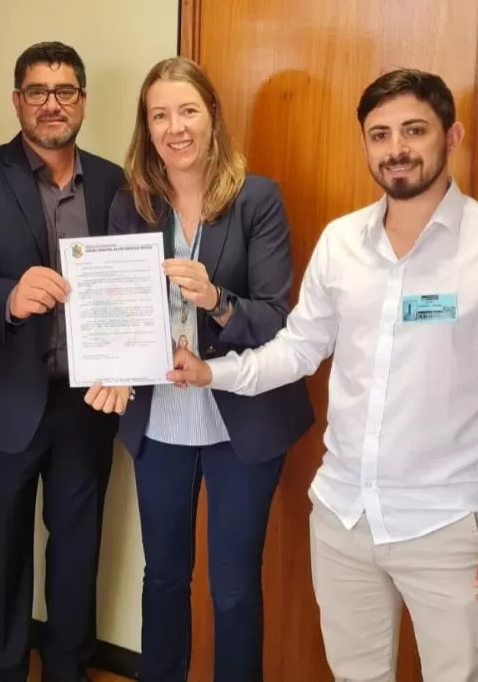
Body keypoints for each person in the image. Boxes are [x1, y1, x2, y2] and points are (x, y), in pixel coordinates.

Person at [168, 68, 478, 682]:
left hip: (449, 525)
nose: (397, 149)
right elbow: (299, 349)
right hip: (343, 518)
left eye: (415, 130)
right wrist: (213, 373)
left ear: (452, 136)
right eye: (380, 134)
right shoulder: (342, 243)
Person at [96, 57, 313, 682]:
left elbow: (274, 317)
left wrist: (216, 299)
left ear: (212, 117)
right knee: (163, 577)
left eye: (188, 110)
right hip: (160, 417)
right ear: (146, 127)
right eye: (159, 115)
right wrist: (112, 364)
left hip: (241, 419)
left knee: (235, 586)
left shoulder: (256, 199)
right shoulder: (130, 204)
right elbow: (115, 308)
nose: (175, 127)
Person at [0, 41, 124, 682]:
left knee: (77, 554)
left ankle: (67, 671)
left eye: (64, 91)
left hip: (87, 403)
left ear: (82, 101)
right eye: (37, 91)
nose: (52, 104)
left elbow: (129, 285)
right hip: (3, 401)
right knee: (3, 556)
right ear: (17, 101)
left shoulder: (114, 181)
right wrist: (9, 297)